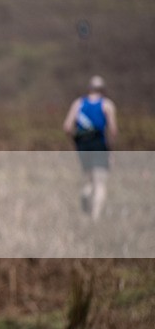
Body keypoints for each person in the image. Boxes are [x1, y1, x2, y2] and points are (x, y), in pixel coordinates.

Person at [62, 75, 118, 221]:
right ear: (103, 90)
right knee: (99, 183)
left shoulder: (78, 104)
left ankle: (85, 211)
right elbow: (113, 130)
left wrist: (76, 140)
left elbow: (67, 127)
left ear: (89, 88)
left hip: (83, 145)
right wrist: (110, 150)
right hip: (99, 144)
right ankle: (95, 218)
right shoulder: (107, 105)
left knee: (87, 181)